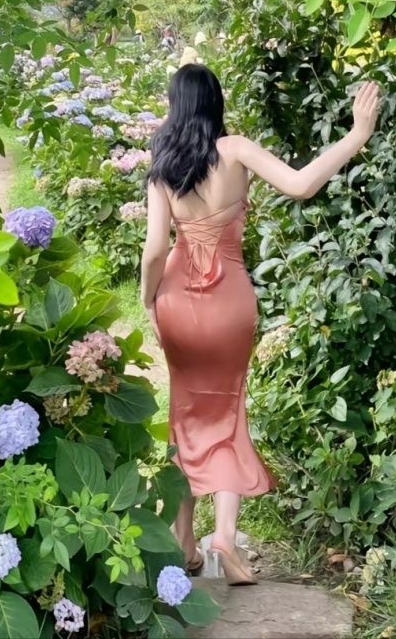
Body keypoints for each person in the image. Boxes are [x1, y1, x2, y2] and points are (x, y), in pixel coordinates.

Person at [140, 65, 381, 585]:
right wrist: (356, 135)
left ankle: (184, 543)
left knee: (185, 413)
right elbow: (301, 185)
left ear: (176, 106)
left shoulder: (163, 165)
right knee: (227, 411)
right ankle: (224, 538)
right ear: (216, 102)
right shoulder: (235, 150)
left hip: (178, 301)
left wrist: (148, 298)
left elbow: (156, 248)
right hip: (230, 302)